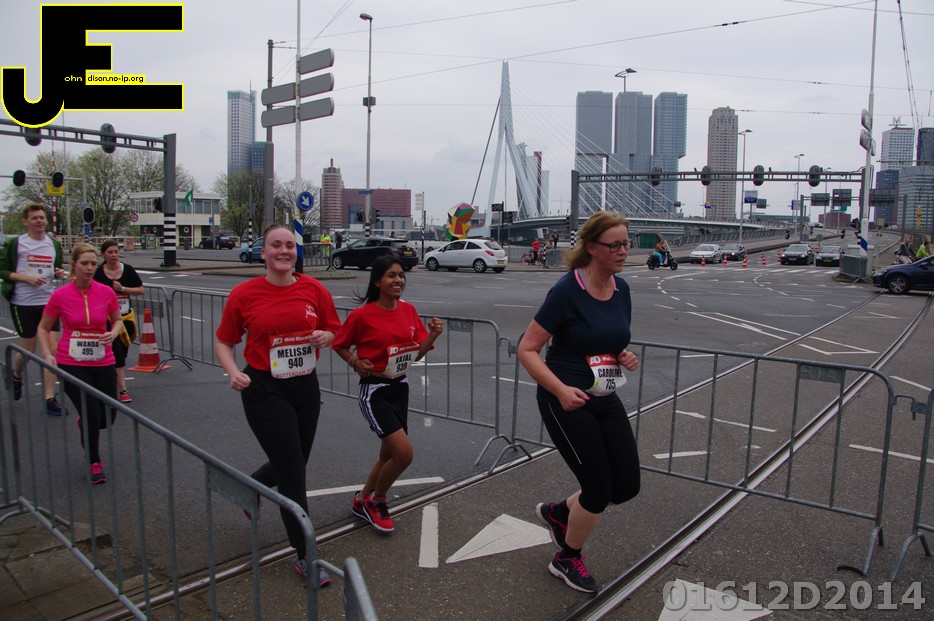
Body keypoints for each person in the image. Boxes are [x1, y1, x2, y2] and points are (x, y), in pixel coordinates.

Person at [517, 210, 641, 594]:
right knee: (598, 488)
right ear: (591, 247)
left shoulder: (622, 289)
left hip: (605, 396)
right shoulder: (566, 291)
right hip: (566, 401)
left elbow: (608, 339)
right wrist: (559, 390)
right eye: (614, 245)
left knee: (626, 486)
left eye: (626, 243)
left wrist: (622, 355)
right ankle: (567, 557)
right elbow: (527, 349)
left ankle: (560, 512)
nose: (623, 251)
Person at [215, 224, 340, 588]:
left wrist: (326, 336)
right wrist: (233, 372)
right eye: (275, 245)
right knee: (293, 474)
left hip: (305, 386)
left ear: (295, 252)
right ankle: (305, 554)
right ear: (264, 252)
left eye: (289, 245)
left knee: (296, 461)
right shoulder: (244, 294)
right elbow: (224, 341)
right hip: (264, 388)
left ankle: (250, 488)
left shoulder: (314, 289)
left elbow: (334, 329)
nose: (283, 251)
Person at [332, 255, 443, 534]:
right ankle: (376, 501)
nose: (398, 280)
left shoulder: (408, 310)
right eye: (391, 275)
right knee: (404, 454)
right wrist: (355, 362)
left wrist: (432, 335)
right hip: (375, 391)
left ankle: (362, 500)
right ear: (377, 281)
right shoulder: (362, 315)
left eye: (401, 275)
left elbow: (415, 354)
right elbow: (339, 344)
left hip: (399, 388)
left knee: (388, 455)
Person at [37, 244, 122, 484]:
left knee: (108, 415)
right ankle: (94, 461)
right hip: (71, 361)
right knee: (91, 414)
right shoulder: (60, 295)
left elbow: (117, 320)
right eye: (84, 263)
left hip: (102, 359)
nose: (89, 268)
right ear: (73, 265)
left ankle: (84, 422)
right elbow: (43, 328)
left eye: (93, 263)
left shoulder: (106, 292)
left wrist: (114, 333)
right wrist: (47, 353)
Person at [0, 203, 66, 415]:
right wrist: (25, 278)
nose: (39, 221)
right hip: (23, 303)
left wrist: (58, 272)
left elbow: (57, 268)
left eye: (42, 217)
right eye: (35, 218)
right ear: (26, 221)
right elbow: (3, 270)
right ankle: (17, 375)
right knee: (28, 351)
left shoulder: (53, 244)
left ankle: (50, 398)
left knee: (52, 350)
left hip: (48, 303)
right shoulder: (16, 243)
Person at [93, 240, 144, 403]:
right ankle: (122, 390)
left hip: (126, 318)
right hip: (107, 320)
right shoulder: (98, 273)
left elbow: (140, 290)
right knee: (117, 355)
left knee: (122, 352)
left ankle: (111, 381)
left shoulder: (127, 269)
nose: (114, 255)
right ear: (103, 255)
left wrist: (122, 289)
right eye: (110, 252)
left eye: (116, 251)